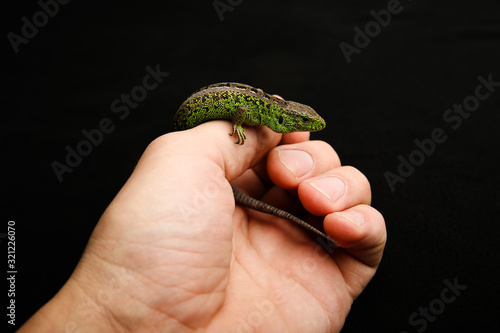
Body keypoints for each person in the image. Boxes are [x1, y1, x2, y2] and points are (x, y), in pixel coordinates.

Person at [20, 121, 386, 332]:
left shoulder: (269, 115)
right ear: (290, 121)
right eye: (306, 124)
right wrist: (112, 315)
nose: (311, 128)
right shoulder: (263, 114)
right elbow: (240, 112)